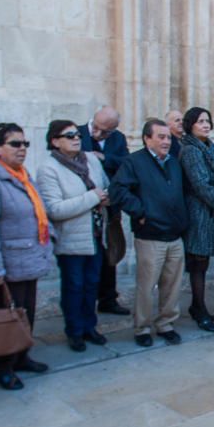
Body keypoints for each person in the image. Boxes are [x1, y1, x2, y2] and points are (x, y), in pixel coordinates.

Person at [0, 123, 52, 390]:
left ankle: (21, 356)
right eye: (15, 144)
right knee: (4, 318)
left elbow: (39, 212)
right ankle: (1, 366)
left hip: (28, 258)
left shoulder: (22, 175)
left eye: (25, 144)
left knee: (25, 314)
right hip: (6, 264)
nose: (23, 149)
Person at [109, 119, 188, 347]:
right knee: (146, 286)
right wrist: (140, 212)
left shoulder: (174, 162)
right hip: (150, 235)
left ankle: (166, 324)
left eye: (168, 137)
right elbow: (118, 189)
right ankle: (142, 328)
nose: (166, 141)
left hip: (175, 235)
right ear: (146, 139)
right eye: (161, 137)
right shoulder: (134, 162)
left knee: (172, 285)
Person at [36, 120, 110, 352]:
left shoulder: (91, 160)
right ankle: (75, 331)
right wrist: (94, 198)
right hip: (71, 239)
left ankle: (90, 326)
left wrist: (106, 197)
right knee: (74, 286)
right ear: (55, 141)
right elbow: (54, 209)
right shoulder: (49, 168)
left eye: (77, 134)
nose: (76, 138)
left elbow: (104, 186)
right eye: (69, 136)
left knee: (92, 284)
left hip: (96, 234)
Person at [180, 107, 214, 332]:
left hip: (210, 212)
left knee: (202, 263)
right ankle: (199, 310)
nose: (206, 125)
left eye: (208, 121)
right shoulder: (191, 150)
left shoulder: (208, 147)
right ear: (190, 124)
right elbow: (201, 184)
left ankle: (197, 305)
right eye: (200, 121)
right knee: (198, 263)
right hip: (199, 213)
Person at [80, 105, 131, 316]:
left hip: (109, 206)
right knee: (87, 258)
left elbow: (125, 163)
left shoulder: (118, 139)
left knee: (111, 253)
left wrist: (104, 158)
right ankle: (85, 304)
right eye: (97, 128)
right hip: (85, 206)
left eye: (105, 131)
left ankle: (108, 298)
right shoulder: (77, 133)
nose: (98, 134)